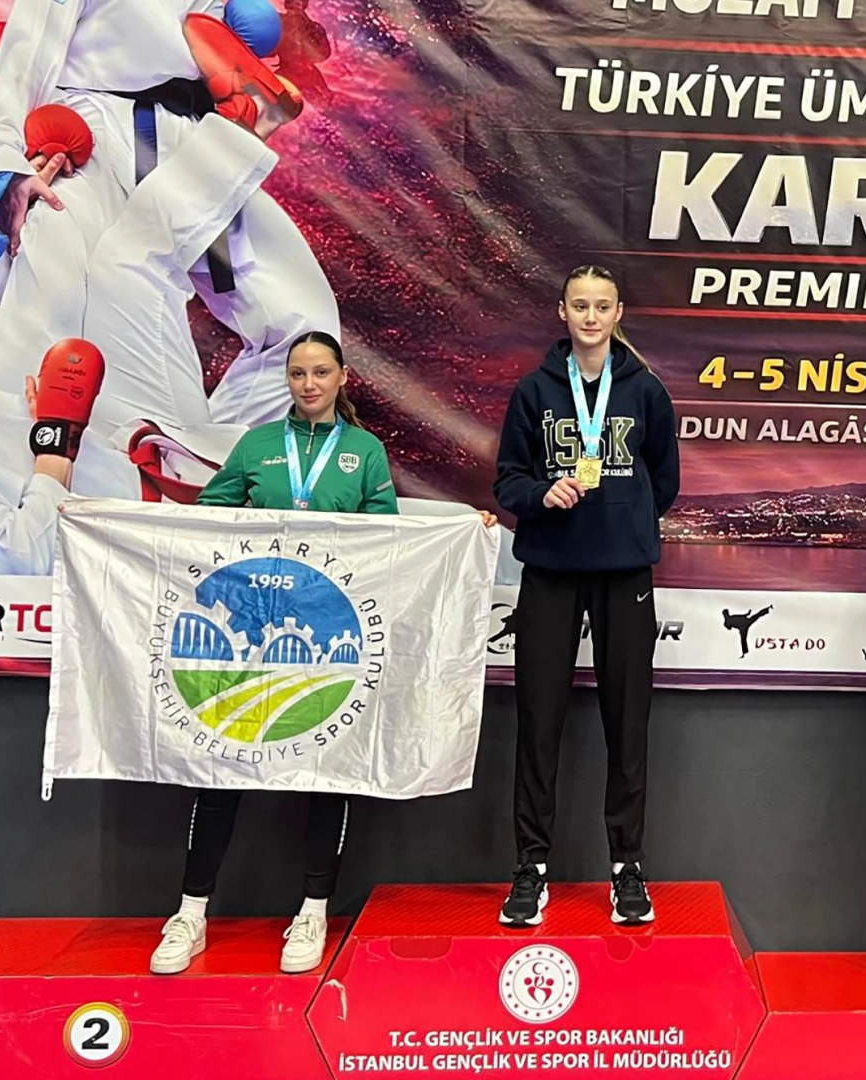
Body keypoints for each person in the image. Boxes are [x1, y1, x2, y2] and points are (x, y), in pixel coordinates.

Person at [151, 330, 496, 975]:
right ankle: (191, 913)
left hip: (329, 640)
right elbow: (206, 523)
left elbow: (387, 544)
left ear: (342, 378)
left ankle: (312, 911)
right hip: (251, 640)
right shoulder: (256, 445)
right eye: (297, 374)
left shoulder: (363, 452)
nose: (308, 384)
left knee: (326, 775)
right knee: (220, 773)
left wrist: (457, 530)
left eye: (319, 373)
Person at [0, 109, 277, 574]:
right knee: (136, 263)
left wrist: (3, 205)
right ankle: (246, 132)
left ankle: (238, 138)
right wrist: (54, 444)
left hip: (132, 459)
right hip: (154, 532)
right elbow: (16, 560)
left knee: (121, 260)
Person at [0, 0, 336, 429]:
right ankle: (21, 456)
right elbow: (29, 45)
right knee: (53, 309)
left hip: (198, 136)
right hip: (96, 136)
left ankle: (207, 459)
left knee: (307, 331)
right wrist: (4, 162)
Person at [492, 265, 680, 928]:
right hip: (551, 569)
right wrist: (541, 494)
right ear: (562, 312)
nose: (591, 317)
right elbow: (507, 480)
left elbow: (665, 481)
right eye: (580, 306)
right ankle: (530, 867)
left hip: (623, 573)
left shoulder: (645, 390)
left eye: (602, 306)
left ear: (618, 312)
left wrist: (624, 520)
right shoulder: (534, 390)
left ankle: (627, 866)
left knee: (627, 723)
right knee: (538, 722)